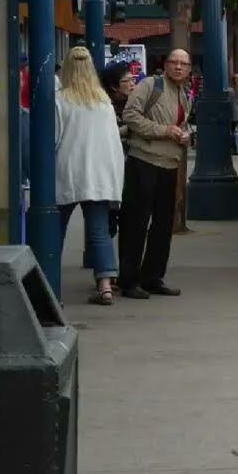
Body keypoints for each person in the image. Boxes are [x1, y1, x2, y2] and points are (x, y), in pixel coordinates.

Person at [120, 48, 193, 298]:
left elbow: (181, 125)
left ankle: (153, 277)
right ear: (166, 64)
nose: (179, 67)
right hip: (144, 161)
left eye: (184, 63)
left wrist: (185, 136)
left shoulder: (184, 95)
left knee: (163, 226)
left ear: (189, 69)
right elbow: (130, 115)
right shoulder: (151, 85)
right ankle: (128, 280)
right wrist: (163, 131)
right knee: (136, 223)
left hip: (170, 165)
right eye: (174, 62)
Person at [56, 47, 125, 305]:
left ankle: (49, 282)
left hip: (67, 172)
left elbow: (53, 139)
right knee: (99, 232)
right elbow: (112, 143)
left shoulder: (60, 100)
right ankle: (106, 285)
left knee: (56, 228)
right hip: (98, 175)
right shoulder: (103, 102)